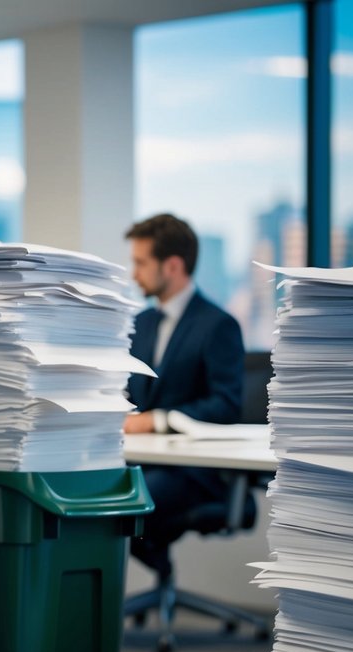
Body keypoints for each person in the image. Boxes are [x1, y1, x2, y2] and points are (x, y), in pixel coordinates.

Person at [123, 214, 244, 582]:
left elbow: (226, 405)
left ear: (172, 265)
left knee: (125, 503)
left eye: (141, 263)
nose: (133, 274)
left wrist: (156, 420)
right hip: (140, 460)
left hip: (194, 473)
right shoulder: (140, 324)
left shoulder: (218, 325)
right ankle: (159, 569)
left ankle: (159, 568)